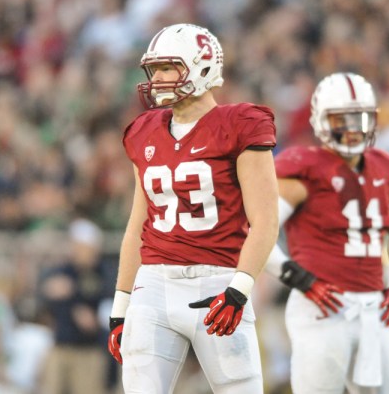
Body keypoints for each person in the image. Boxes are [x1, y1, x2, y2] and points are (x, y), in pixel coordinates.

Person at [107, 23, 278, 394]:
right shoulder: (144, 130)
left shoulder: (239, 124)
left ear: (202, 67)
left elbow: (265, 221)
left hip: (217, 283)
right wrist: (121, 304)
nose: (158, 79)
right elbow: (138, 224)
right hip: (153, 284)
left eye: (168, 68)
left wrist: (239, 288)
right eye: (154, 71)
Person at [265, 72, 389, 394]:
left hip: (372, 308)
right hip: (322, 309)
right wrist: (298, 278)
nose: (352, 129)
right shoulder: (302, 169)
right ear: (321, 121)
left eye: (359, 118)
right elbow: (257, 232)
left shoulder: (384, 168)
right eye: (341, 120)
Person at [38, 217, 112, 394]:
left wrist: (73, 295)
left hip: (89, 350)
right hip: (61, 347)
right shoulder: (63, 270)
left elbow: (105, 304)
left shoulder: (103, 273)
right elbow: (45, 296)